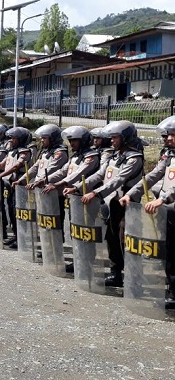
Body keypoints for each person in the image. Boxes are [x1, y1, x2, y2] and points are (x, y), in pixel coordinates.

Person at [66, 121, 144, 287]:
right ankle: (116, 274)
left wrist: (95, 193)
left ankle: (134, 277)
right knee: (111, 238)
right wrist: (77, 187)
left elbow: (118, 180)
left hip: (127, 205)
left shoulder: (134, 158)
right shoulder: (114, 156)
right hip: (111, 203)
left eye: (115, 138)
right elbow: (100, 175)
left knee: (125, 241)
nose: (112, 141)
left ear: (125, 138)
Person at [119, 116, 175, 307]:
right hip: (170, 211)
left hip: (169, 204)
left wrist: (163, 198)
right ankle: (173, 291)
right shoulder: (169, 155)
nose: (168, 139)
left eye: (173, 135)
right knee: (170, 251)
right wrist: (132, 194)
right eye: (168, 135)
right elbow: (152, 176)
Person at [0, 127, 33, 248]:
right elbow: (2, 164)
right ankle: (15, 235)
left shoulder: (24, 152)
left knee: (19, 212)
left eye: (14, 138)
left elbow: (16, 167)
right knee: (11, 211)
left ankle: (22, 239)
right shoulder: (11, 151)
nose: (12, 140)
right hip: (9, 185)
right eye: (12, 138)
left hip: (19, 186)